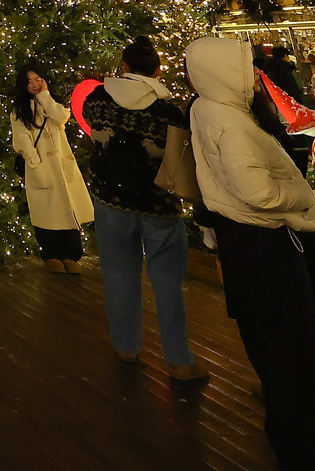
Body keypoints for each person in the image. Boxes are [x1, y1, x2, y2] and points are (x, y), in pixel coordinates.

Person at [188, 35, 315, 468]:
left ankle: (292, 434)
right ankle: (302, 445)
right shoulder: (232, 122)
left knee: (270, 341)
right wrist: (299, 198)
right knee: (294, 348)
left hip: (242, 239)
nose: (255, 77)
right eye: (247, 67)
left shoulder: (205, 108)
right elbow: (257, 191)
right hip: (267, 240)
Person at [80, 38, 205, 382]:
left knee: (118, 273)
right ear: (158, 70)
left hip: (110, 199)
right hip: (158, 204)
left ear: (124, 65)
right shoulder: (168, 110)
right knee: (167, 281)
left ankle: (126, 346)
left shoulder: (99, 98)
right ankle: (179, 360)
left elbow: (91, 124)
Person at [10, 59, 91, 273]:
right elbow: (21, 137)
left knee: (68, 209)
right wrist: (34, 160)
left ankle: (71, 255)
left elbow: (61, 117)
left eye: (38, 79)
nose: (35, 84)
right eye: (29, 81)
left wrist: (45, 97)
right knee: (46, 212)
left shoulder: (52, 102)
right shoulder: (19, 109)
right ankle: (51, 254)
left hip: (62, 165)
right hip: (40, 165)